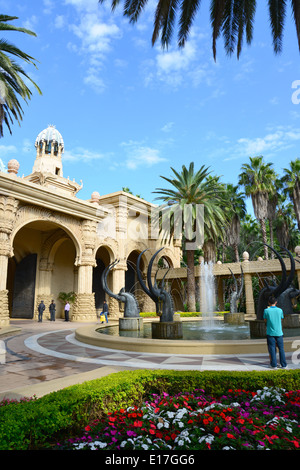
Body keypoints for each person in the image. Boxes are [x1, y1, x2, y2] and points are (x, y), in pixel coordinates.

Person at [263, 295, 287, 369]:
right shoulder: (280, 310)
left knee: (272, 348)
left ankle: (273, 365)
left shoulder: (266, 310)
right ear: (276, 302)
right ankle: (283, 365)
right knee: (281, 349)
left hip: (270, 333)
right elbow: (281, 319)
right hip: (279, 332)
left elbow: (265, 320)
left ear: (268, 302)